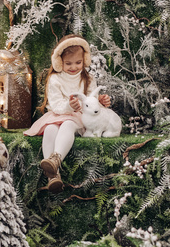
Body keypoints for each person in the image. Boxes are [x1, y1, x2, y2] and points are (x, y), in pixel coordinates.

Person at [24, 34, 111, 193]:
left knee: (68, 124)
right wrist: (69, 106)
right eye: (68, 63)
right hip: (57, 114)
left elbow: (91, 102)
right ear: (59, 62)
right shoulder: (55, 79)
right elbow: (56, 105)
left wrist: (100, 101)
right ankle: (53, 176)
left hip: (78, 117)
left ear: (84, 60)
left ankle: (56, 159)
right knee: (50, 129)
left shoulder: (88, 79)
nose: (74, 67)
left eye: (78, 62)